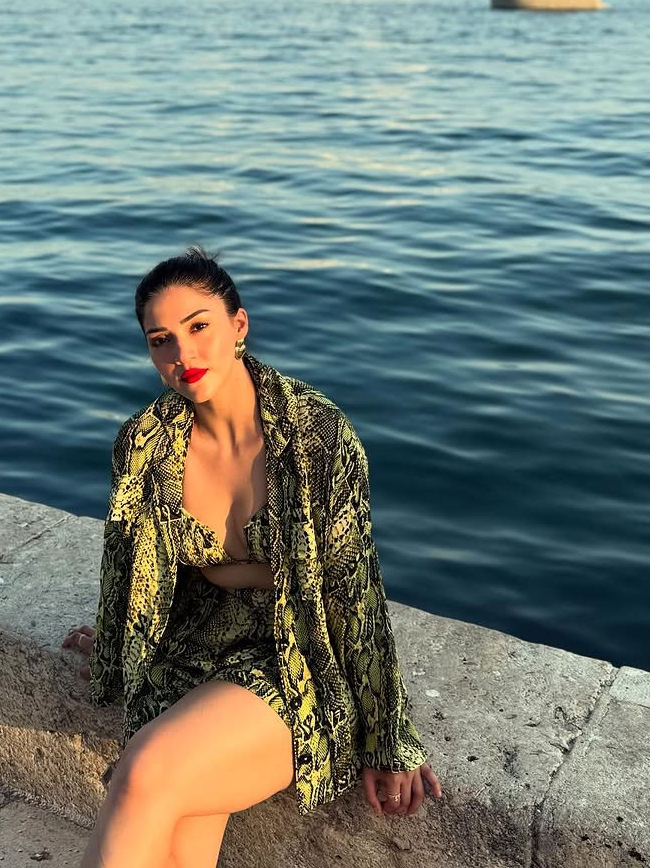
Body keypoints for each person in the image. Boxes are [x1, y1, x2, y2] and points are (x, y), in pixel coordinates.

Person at [62, 248, 442, 868]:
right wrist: (112, 648)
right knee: (179, 845)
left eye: (199, 326)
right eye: (161, 340)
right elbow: (126, 562)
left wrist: (389, 736)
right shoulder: (146, 442)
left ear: (239, 325)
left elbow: (355, 591)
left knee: (143, 772)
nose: (183, 353)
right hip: (192, 646)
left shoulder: (317, 437)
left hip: (292, 656)